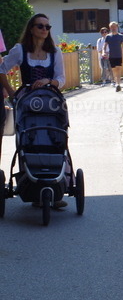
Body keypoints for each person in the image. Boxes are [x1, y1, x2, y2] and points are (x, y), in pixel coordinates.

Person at [0, 14, 68, 208]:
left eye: (47, 27)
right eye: (40, 26)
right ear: (31, 29)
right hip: (27, 101)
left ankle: (58, 183)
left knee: (55, 134)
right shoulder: (20, 50)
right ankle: (30, 183)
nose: (45, 30)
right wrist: (11, 92)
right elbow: (2, 69)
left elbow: (61, 79)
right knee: (27, 137)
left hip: (50, 101)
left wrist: (49, 81)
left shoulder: (55, 52)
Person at [105, 22, 123, 91]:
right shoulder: (108, 37)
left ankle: (118, 84)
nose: (113, 28)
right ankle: (116, 82)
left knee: (118, 69)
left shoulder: (121, 36)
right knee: (114, 70)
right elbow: (104, 46)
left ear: (117, 27)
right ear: (110, 28)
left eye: (114, 27)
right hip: (111, 56)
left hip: (119, 55)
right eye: (111, 27)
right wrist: (104, 52)